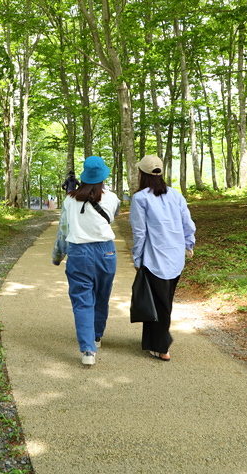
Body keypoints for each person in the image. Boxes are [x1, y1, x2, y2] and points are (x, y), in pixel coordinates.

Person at [52, 156, 121, 366]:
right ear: (103, 177)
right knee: (102, 296)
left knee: (82, 301)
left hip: (78, 253)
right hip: (106, 252)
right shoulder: (113, 198)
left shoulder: (69, 199)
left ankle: (88, 351)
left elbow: (64, 230)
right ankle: (97, 335)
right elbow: (112, 215)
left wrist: (58, 256)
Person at [129, 155, 196, 362]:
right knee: (162, 300)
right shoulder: (176, 195)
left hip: (154, 257)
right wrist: (188, 243)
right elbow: (188, 222)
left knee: (160, 303)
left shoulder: (140, 198)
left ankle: (162, 346)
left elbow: (139, 232)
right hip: (175, 257)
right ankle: (152, 342)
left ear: (141, 174)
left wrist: (137, 258)